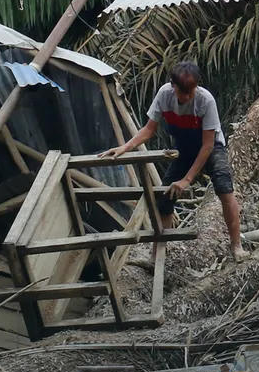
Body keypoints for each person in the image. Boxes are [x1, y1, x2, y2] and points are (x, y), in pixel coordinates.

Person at [102, 61, 246, 261]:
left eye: (190, 92)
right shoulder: (164, 95)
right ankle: (157, 255)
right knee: (165, 196)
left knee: (224, 187)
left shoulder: (206, 101)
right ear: (173, 85)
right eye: (182, 92)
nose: (186, 97)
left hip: (211, 147)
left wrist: (187, 180)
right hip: (184, 147)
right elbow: (149, 129)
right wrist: (125, 147)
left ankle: (236, 245)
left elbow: (207, 146)